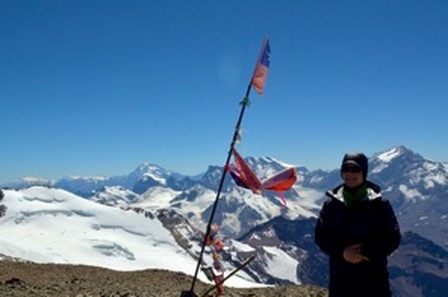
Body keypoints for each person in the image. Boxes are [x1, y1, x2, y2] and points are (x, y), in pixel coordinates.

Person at [314, 152, 401, 297]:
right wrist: (343, 251)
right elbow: (321, 236)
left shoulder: (380, 204)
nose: (350, 174)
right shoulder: (331, 204)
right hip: (341, 280)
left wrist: (363, 251)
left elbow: (393, 238)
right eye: (346, 169)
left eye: (355, 169)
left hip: (374, 280)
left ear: (364, 172)